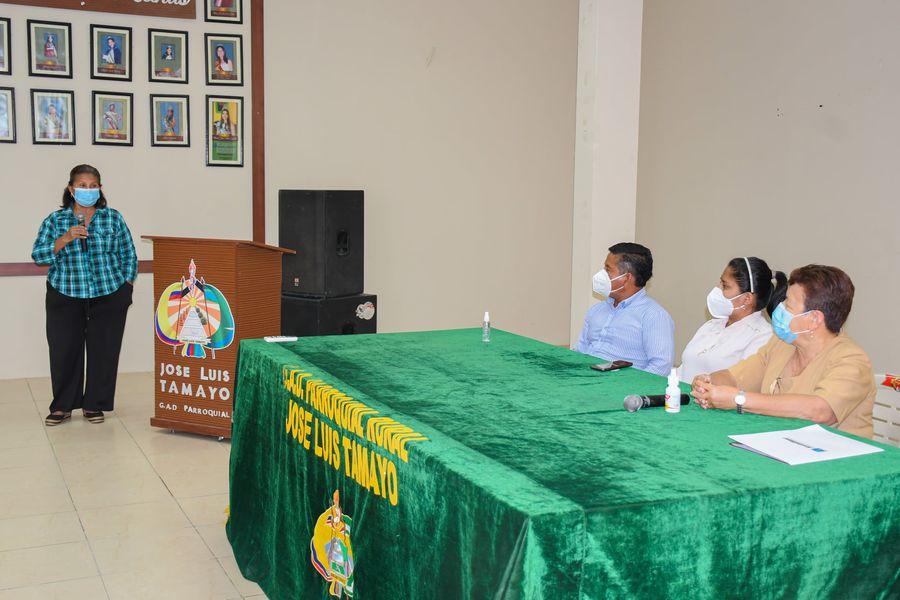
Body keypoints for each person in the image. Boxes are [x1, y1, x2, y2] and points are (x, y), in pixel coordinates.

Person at [691, 264, 875, 438]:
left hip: (836, 455)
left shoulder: (852, 360)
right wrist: (709, 382)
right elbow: (736, 377)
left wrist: (739, 400)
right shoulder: (781, 344)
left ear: (814, 319)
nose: (780, 308)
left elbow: (819, 411)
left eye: (788, 305)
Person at [31, 164, 137, 426]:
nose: (88, 190)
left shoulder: (113, 218)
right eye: (82, 186)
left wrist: (125, 287)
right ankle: (62, 406)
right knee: (64, 351)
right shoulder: (56, 220)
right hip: (65, 294)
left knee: (104, 351)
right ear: (71, 189)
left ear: (100, 189)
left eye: (93, 186)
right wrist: (65, 238)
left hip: (108, 293)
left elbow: (129, 255)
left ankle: (94, 404)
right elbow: (39, 255)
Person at [679, 257, 786, 383]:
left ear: (747, 299)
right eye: (720, 282)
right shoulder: (711, 325)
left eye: (725, 286)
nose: (717, 289)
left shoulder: (763, 336)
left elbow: (743, 383)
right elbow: (684, 368)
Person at [575, 242, 675, 376]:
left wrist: (630, 387)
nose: (601, 274)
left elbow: (660, 367)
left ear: (626, 278)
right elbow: (579, 352)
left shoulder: (654, 316)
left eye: (608, 269)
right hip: (581, 377)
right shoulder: (596, 310)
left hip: (619, 385)